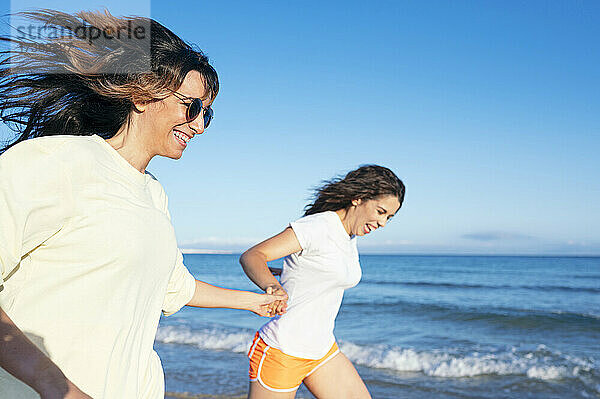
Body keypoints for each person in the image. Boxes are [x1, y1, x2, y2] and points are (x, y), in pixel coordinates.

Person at [0, 10, 284, 399]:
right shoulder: (53, 161)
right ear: (140, 94)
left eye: (207, 114)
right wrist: (57, 387)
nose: (199, 125)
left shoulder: (153, 193)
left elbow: (173, 288)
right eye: (192, 106)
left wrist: (256, 302)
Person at [240, 165, 405, 399]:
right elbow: (253, 256)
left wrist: (290, 273)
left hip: (322, 350)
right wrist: (273, 286)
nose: (383, 223)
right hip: (283, 350)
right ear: (358, 198)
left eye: (389, 217)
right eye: (380, 212)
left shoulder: (349, 235)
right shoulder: (318, 226)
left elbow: (317, 268)